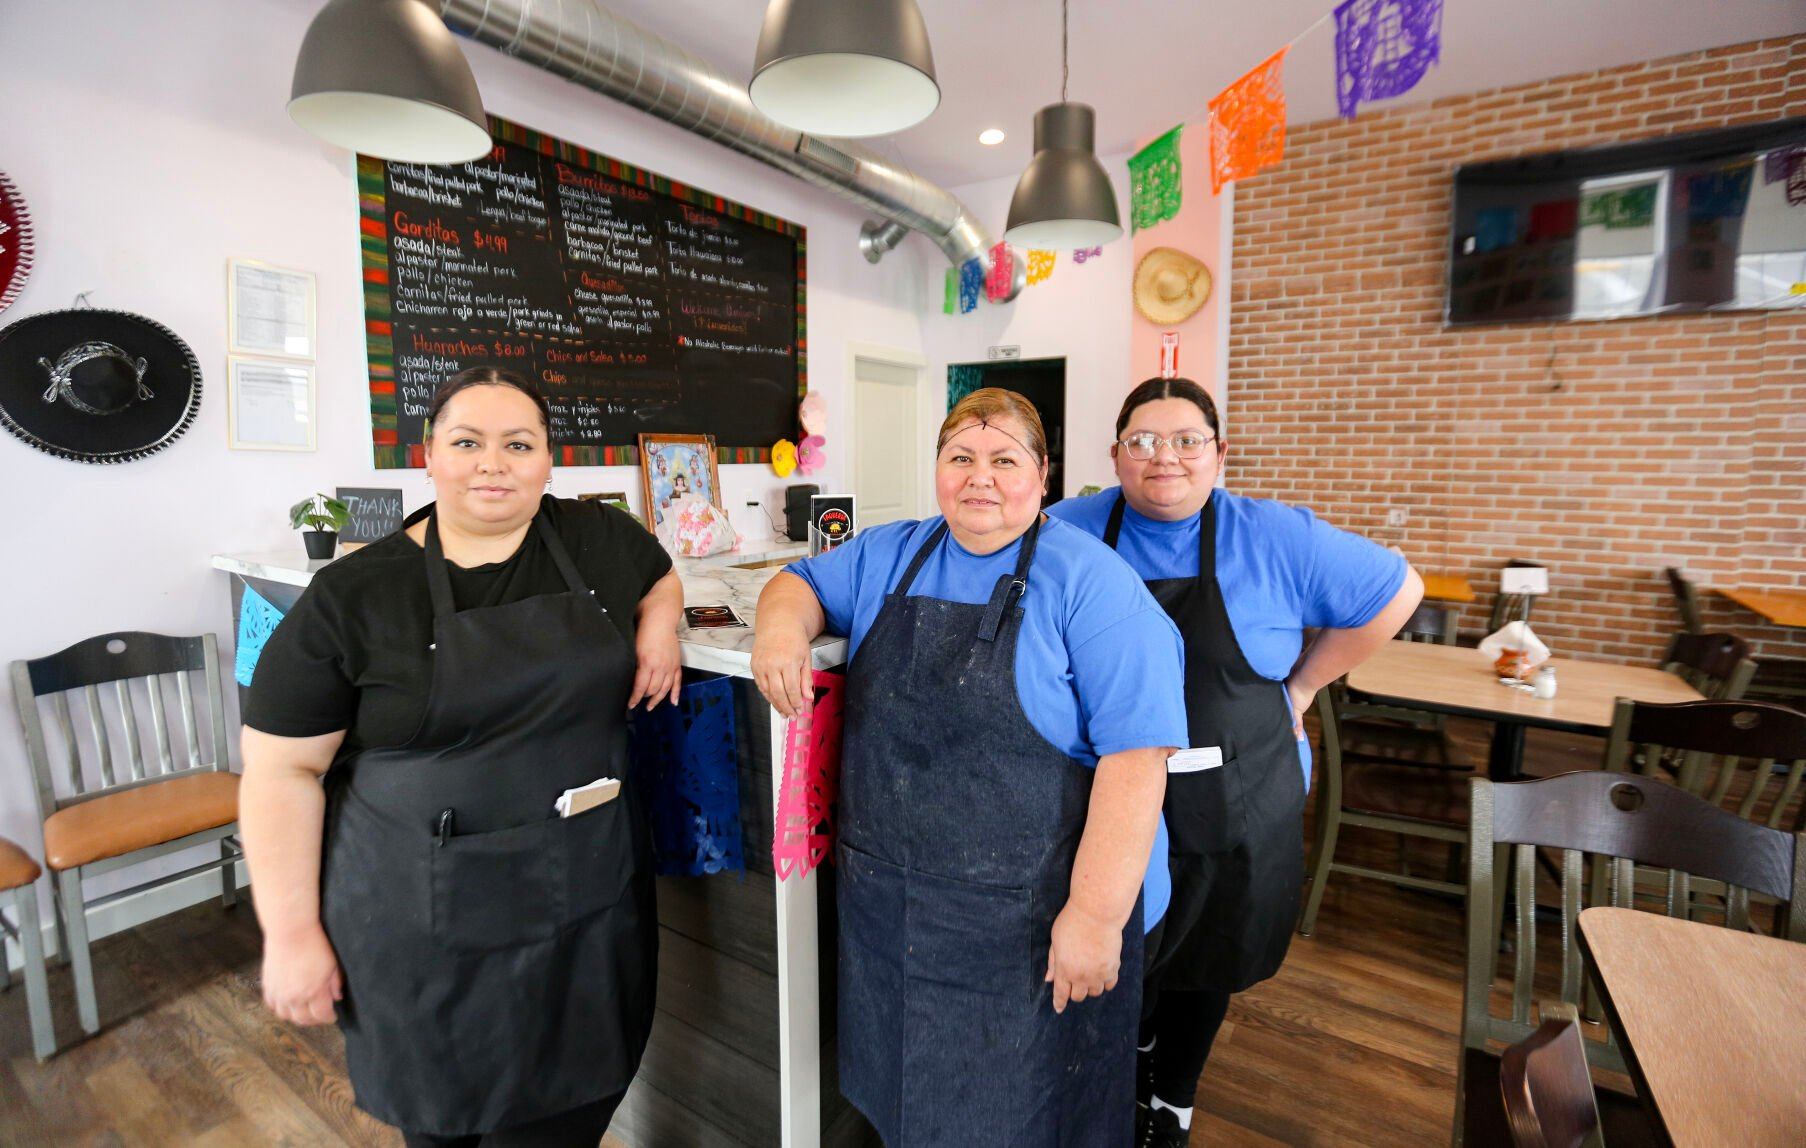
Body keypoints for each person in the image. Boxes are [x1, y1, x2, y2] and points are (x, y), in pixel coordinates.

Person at [239, 367, 684, 1147]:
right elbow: (284, 771)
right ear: (430, 456)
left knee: (570, 1116)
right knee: (445, 1126)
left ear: (549, 461)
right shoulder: (356, 595)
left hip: (586, 906)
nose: (493, 463)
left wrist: (661, 624)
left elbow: (661, 576)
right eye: (467, 442)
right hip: (423, 924)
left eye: (519, 444)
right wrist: (291, 935)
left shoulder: (596, 539)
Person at [752, 388, 1187, 1147]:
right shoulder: (893, 550)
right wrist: (779, 632)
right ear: (938, 469)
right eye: (960, 457)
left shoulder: (1095, 585)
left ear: (1043, 475)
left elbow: (1137, 761)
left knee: (1030, 1120)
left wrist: (1093, 917)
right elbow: (801, 583)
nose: (979, 477)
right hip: (895, 912)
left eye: (1004, 459)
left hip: (1035, 925)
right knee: (905, 1106)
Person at [1049, 377, 1423, 1146]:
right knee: (1125, 949)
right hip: (1117, 802)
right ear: (1114, 455)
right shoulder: (1069, 529)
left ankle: (1175, 1102)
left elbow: (1399, 589)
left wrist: (1306, 684)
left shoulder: (1274, 536)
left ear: (1220, 453)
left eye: (1187, 440)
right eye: (1142, 441)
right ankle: (1134, 1065)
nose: (1165, 458)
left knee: (1210, 959)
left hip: (1241, 799)